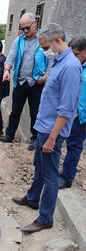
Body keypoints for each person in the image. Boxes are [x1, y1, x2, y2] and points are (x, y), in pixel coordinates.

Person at [12, 23, 82, 234]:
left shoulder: (70, 66)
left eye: (45, 47)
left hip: (53, 131)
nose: (45, 51)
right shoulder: (59, 62)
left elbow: (67, 108)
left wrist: (52, 138)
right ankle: (33, 198)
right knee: (40, 167)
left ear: (57, 41)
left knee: (51, 175)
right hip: (44, 127)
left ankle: (45, 218)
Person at [0, 13, 50, 151]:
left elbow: (51, 61)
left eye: (27, 28)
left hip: (36, 83)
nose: (25, 31)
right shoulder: (18, 40)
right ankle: (9, 135)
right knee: (15, 111)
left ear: (35, 23)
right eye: (23, 29)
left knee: (35, 113)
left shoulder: (44, 39)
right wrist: (6, 70)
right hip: (20, 82)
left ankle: (35, 139)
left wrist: (45, 77)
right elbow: (10, 57)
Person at [59, 37, 86, 189]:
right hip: (71, 113)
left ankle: (67, 178)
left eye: (76, 55)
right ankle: (67, 171)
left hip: (82, 117)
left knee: (74, 146)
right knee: (69, 144)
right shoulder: (75, 66)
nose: (74, 59)